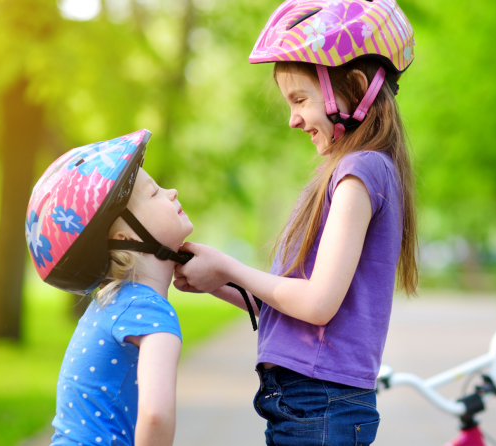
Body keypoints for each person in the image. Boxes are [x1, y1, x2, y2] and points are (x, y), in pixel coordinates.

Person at [172, 1, 418, 444]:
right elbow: (299, 308)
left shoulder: (359, 172)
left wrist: (229, 266)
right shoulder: (357, 171)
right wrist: (217, 282)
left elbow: (317, 304)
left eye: (300, 99)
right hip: (309, 401)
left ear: (356, 87)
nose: (293, 118)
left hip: (319, 404)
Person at [25, 129, 193, 446]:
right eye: (155, 193)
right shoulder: (149, 311)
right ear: (126, 238)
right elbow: (157, 415)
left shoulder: (115, 302)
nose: (171, 191)